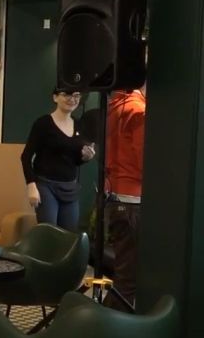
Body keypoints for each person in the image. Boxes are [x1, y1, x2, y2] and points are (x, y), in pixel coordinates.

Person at [20, 88, 96, 232]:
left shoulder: (79, 125)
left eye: (76, 95)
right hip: (46, 186)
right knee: (49, 234)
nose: (72, 99)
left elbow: (74, 160)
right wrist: (31, 186)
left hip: (70, 188)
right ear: (55, 97)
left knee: (69, 235)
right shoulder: (43, 123)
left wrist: (85, 158)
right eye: (66, 94)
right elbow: (25, 157)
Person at [102, 83, 146, 311]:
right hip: (132, 201)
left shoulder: (114, 106)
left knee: (124, 275)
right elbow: (145, 162)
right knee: (129, 279)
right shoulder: (138, 110)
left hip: (116, 197)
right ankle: (114, 325)